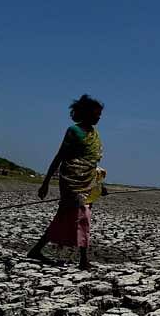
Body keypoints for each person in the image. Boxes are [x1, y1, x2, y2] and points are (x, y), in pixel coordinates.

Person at [27, 95, 105, 270]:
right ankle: (83, 260)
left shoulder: (95, 133)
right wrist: (45, 182)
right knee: (83, 216)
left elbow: (92, 162)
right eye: (96, 114)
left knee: (64, 217)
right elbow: (60, 156)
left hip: (88, 181)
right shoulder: (73, 131)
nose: (99, 118)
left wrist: (100, 186)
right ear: (86, 114)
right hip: (71, 180)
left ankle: (36, 249)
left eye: (100, 115)